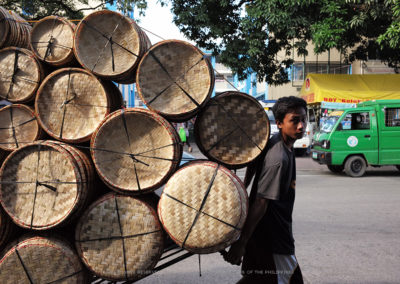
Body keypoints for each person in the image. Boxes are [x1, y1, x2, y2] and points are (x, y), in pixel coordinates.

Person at [223, 96, 307, 284]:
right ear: (279, 123)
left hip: (268, 235)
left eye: (303, 119)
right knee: (291, 279)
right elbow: (261, 201)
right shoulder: (279, 158)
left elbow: (254, 164)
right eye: (294, 120)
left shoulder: (278, 142)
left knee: (257, 279)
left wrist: (245, 185)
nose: (301, 126)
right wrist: (241, 243)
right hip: (273, 237)